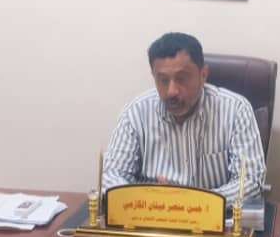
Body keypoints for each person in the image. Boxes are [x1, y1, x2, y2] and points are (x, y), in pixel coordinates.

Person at [103, 33, 266, 203]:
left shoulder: (235, 110)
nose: (172, 91)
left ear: (203, 75)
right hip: (149, 213)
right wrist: (150, 200)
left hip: (212, 216)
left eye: (182, 79)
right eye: (163, 80)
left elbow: (251, 182)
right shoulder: (136, 113)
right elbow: (111, 176)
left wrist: (189, 202)